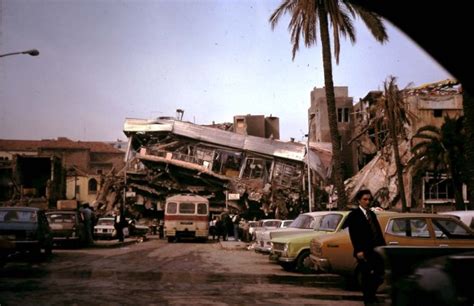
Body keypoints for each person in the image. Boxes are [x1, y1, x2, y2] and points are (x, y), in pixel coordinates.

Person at [346, 189, 386, 305]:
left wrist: (383, 247)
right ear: (359, 200)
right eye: (365, 199)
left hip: (376, 250)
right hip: (363, 251)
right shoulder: (354, 215)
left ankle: (371, 296)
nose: (367, 202)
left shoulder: (372, 214)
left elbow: (377, 232)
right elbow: (354, 234)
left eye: (369, 199)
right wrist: (358, 250)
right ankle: (368, 300)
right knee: (367, 276)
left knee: (379, 275)